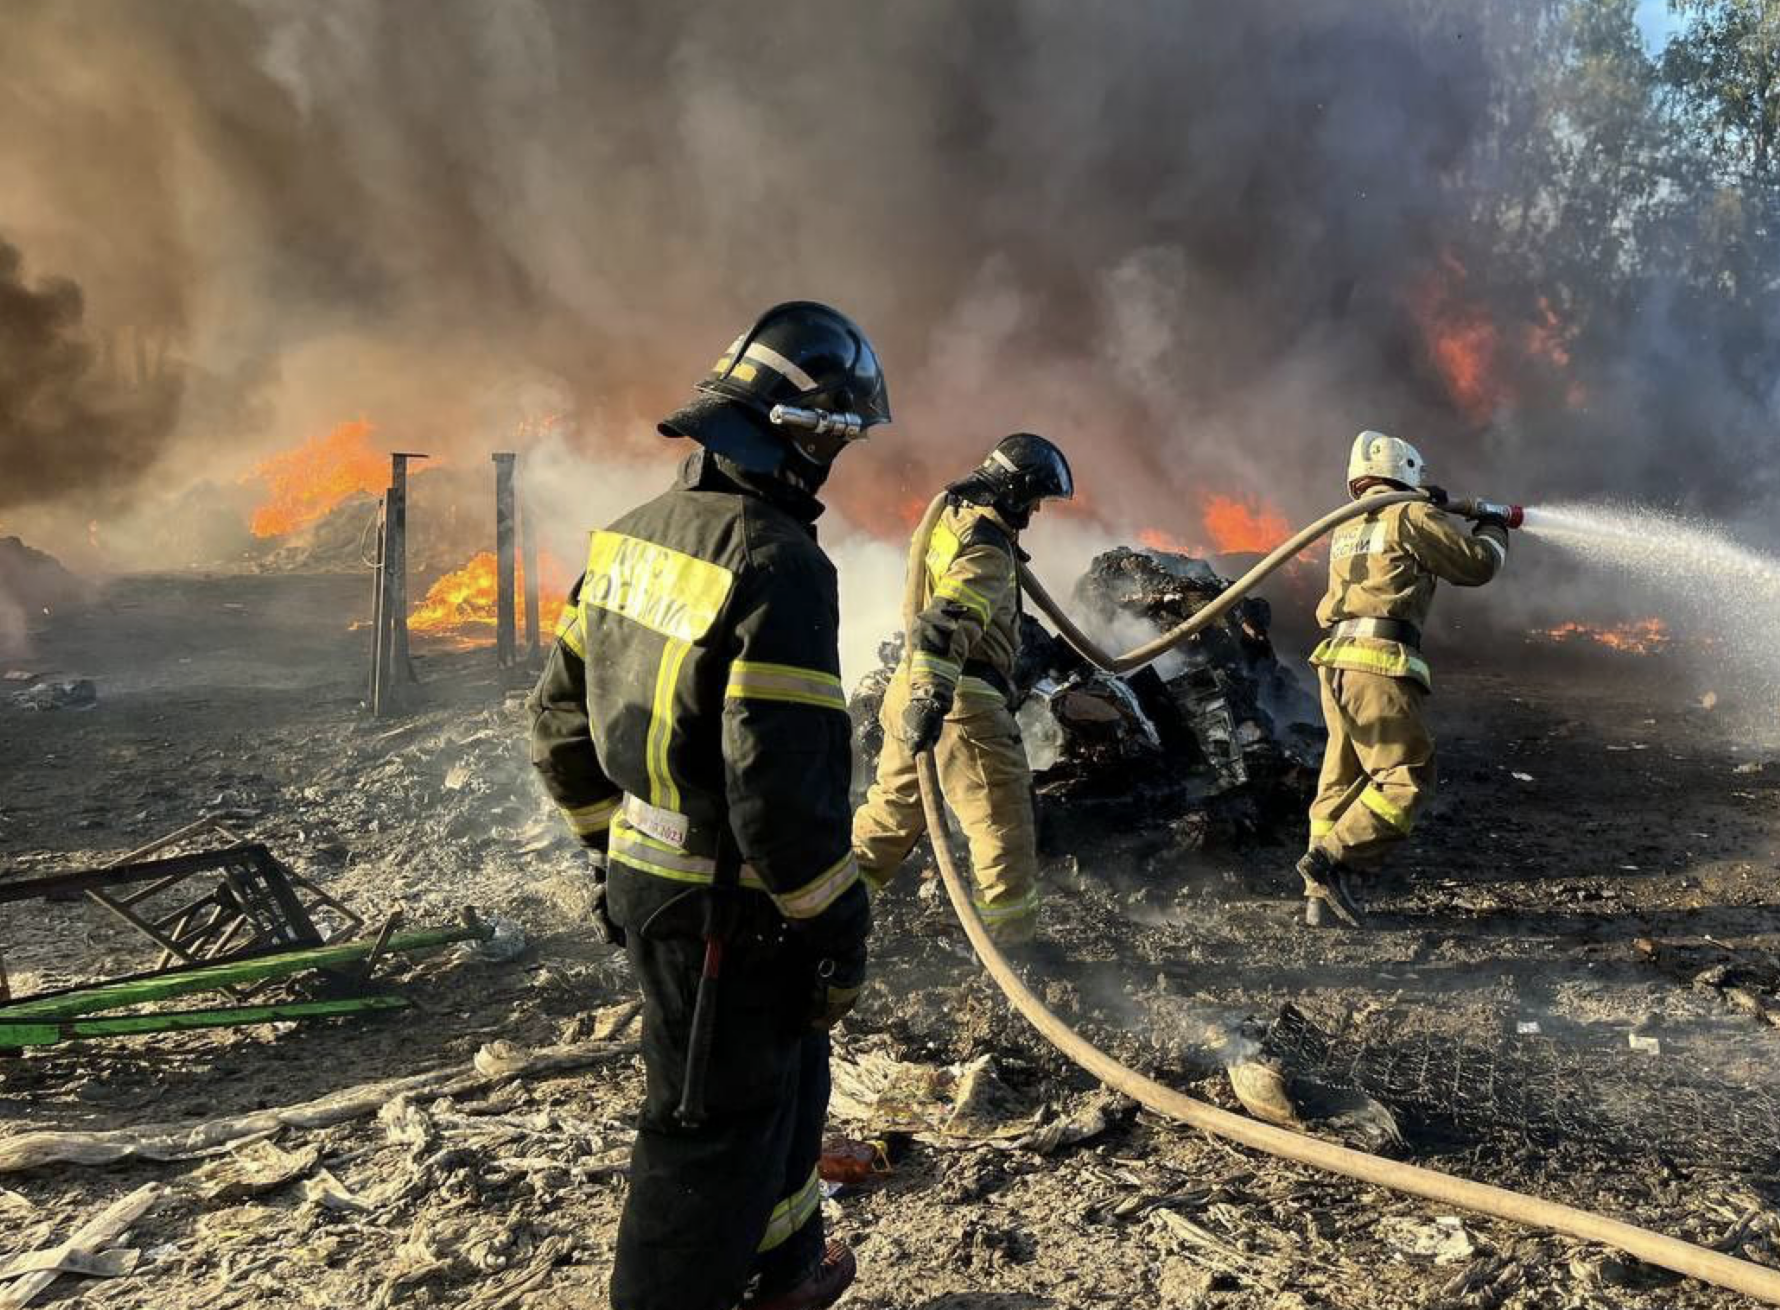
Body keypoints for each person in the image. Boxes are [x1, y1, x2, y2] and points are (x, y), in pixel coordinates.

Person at [527, 301, 888, 1310]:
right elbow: (777, 789)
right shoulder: (777, 562)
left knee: (784, 1084)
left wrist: (609, 851)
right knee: (700, 1125)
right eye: (833, 437)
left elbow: (557, 720)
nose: (833, 460)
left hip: (661, 883)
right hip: (731, 904)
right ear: (801, 436)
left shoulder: (631, 539)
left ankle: (779, 1267)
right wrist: (836, 920)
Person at [851, 434, 1074, 946]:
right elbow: (946, 621)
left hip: (908, 686)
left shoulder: (948, 519)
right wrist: (935, 696)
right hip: (960, 702)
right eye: (1035, 497)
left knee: (890, 811)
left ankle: (831, 910)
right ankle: (1010, 946)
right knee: (1002, 824)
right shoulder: (988, 550)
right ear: (1015, 490)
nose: (1037, 509)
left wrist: (922, 692)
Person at [1298, 429, 1510, 927]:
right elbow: (1475, 567)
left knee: (1339, 782)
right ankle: (1331, 861)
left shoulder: (1348, 525)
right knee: (1405, 776)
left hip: (1337, 663)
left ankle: (1315, 901)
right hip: (1378, 663)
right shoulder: (1407, 514)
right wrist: (1494, 527)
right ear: (1406, 470)